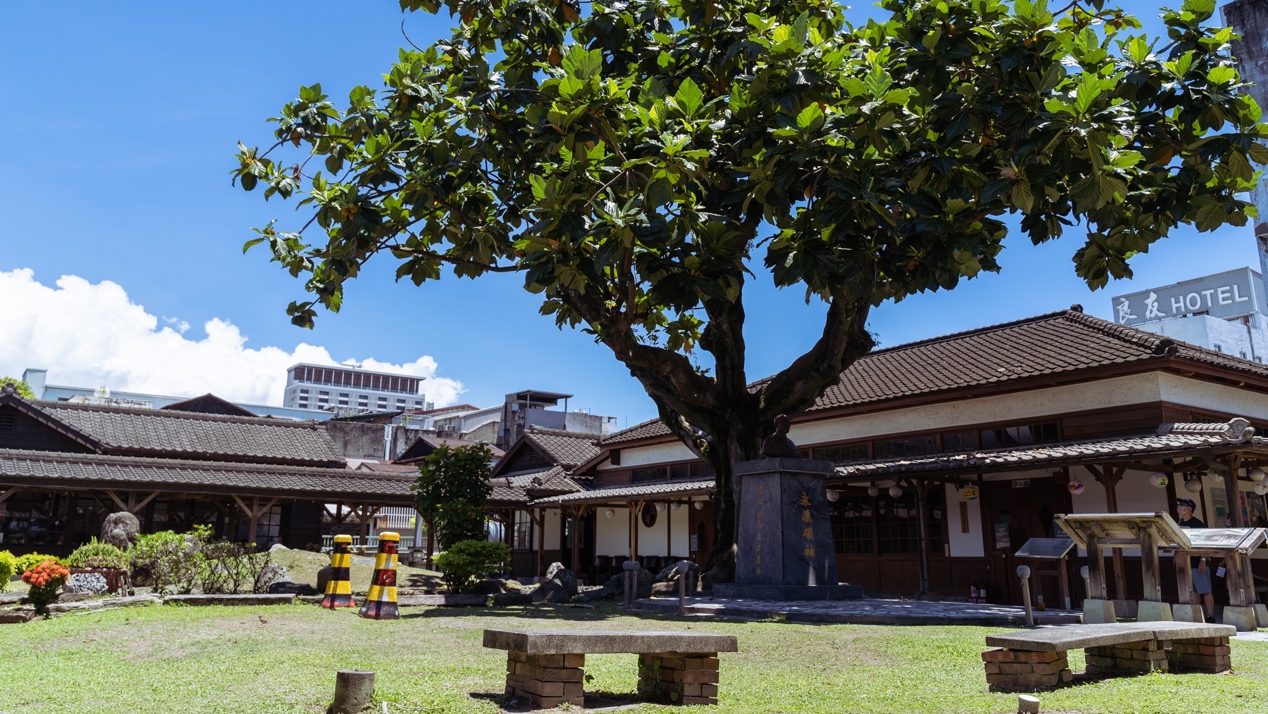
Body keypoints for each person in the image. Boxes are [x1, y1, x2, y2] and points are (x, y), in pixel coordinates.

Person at [1176, 498, 1217, 622]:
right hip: (1185, 562)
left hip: (1197, 561)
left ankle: (1210, 616)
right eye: (1179, 505)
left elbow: (1205, 542)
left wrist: (1203, 559)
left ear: (1190, 509)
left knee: (1205, 590)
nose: (1179, 507)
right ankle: (1197, 616)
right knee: (1193, 591)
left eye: (1182, 505)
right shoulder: (1179, 523)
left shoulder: (1198, 524)